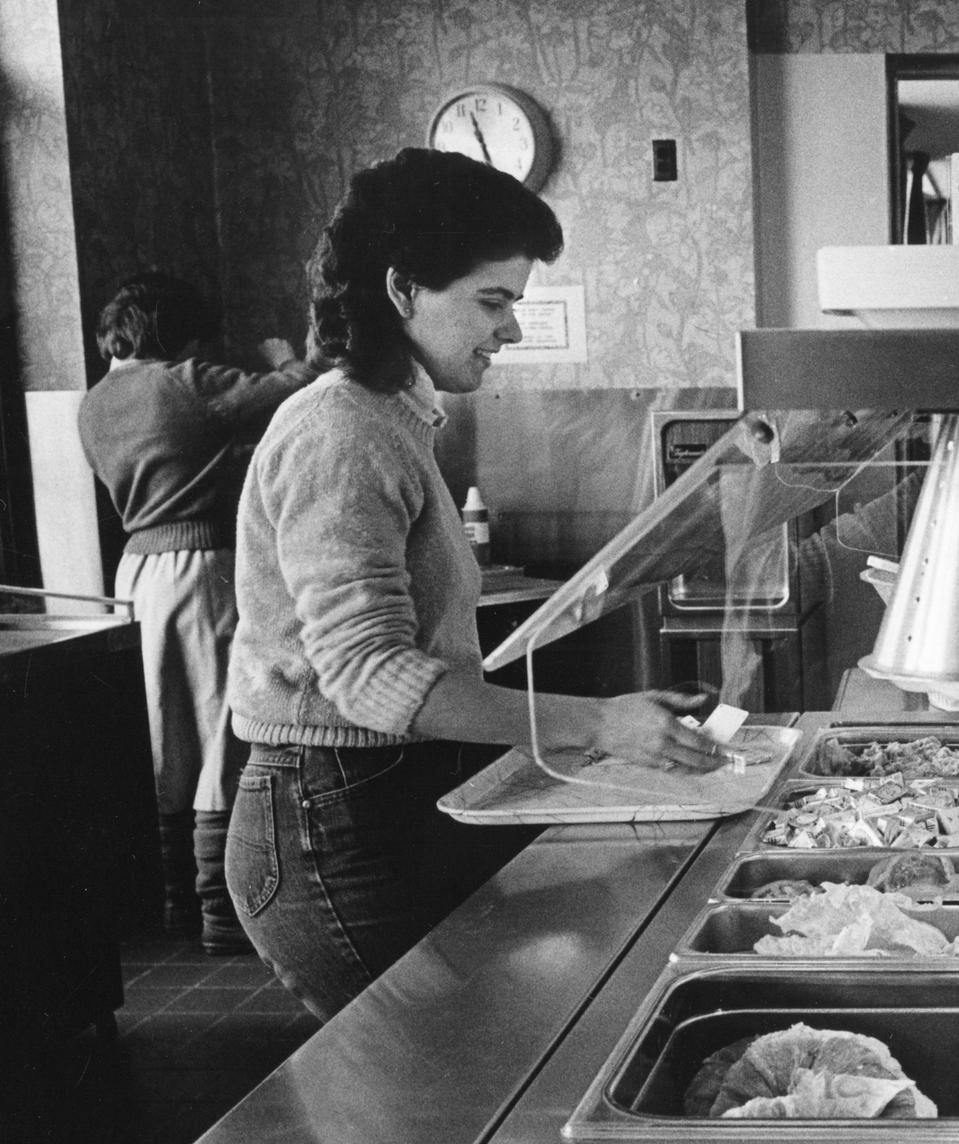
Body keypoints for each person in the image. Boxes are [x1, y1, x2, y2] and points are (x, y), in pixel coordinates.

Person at [224, 148, 723, 1019]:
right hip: (326, 823)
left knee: (471, 1053)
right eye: (492, 302)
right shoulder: (340, 430)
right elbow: (374, 681)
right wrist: (598, 724)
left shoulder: (389, 417)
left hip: (380, 799)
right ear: (403, 288)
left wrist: (598, 729)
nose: (511, 331)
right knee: (426, 1082)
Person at [77, 273, 314, 954]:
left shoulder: (95, 404)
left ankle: (176, 902)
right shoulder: (178, 382)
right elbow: (295, 385)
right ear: (174, 332)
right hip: (203, 568)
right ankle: (222, 915)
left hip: (137, 575)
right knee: (219, 734)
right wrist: (280, 356)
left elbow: (185, 459)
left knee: (165, 737)